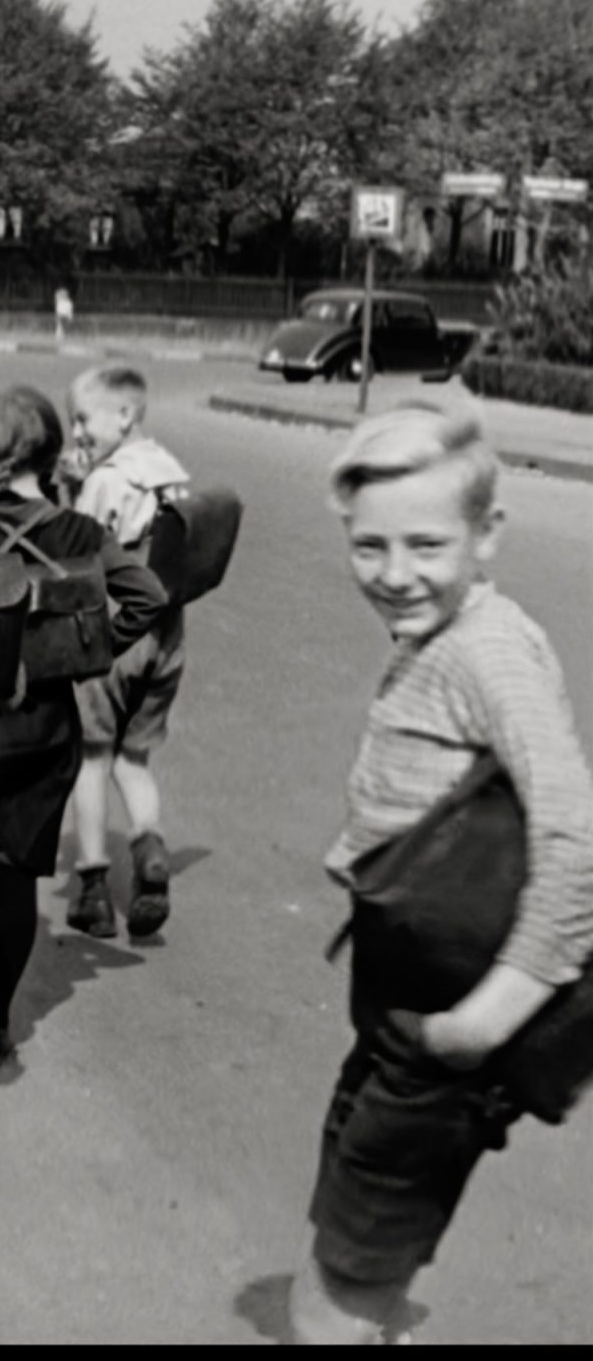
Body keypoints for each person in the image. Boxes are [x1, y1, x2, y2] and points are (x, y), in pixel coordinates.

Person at [288, 404, 593, 1345]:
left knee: (333, 1298)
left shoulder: (487, 649)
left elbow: (579, 838)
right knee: (351, 1250)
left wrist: (489, 1016)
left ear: (487, 534)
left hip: (444, 1041)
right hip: (404, 1017)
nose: (393, 573)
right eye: (369, 546)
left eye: (426, 543)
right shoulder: (445, 637)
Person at [0, 388, 167, 1068]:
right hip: (46, 726)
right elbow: (148, 596)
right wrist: (94, 649)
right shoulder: (83, 535)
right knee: (16, 880)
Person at [64, 365, 193, 941]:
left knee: (91, 757)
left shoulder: (107, 480)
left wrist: (73, 490)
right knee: (133, 760)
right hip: (168, 637)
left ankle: (92, 886)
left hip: (115, 634)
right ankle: (150, 849)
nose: (76, 431)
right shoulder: (172, 472)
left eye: (83, 418)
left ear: (125, 415)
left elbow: (79, 552)